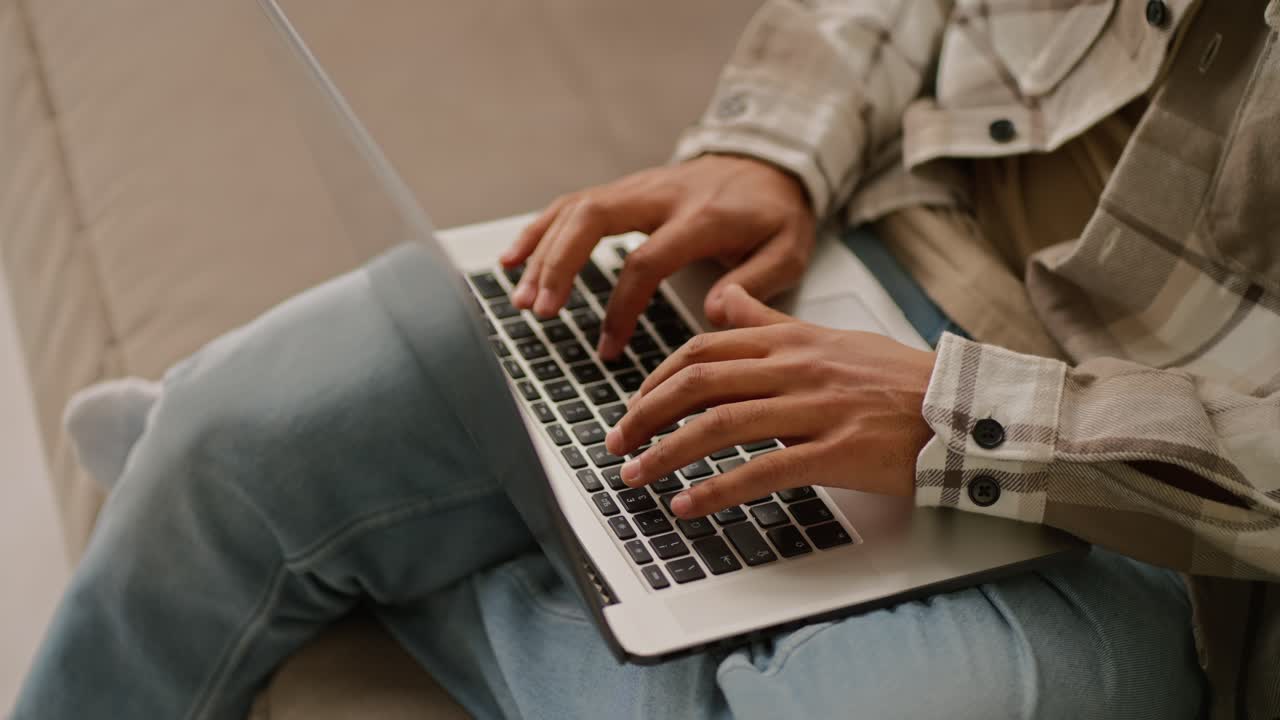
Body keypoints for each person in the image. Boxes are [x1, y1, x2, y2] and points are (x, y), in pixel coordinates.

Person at [15, 0, 1280, 718]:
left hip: (1152, 531)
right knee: (237, 438)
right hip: (862, 250)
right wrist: (770, 150)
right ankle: (272, 468)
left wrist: (968, 417)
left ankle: (414, 548)